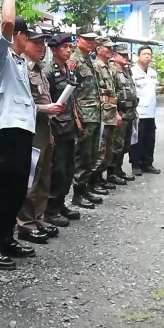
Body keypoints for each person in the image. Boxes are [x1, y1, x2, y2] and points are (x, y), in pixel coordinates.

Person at [0, 0, 40, 271]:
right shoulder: (0, 57)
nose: (29, 43)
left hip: (23, 132)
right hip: (6, 132)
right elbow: (6, 23)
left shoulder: (19, 64)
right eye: (27, 37)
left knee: (18, 189)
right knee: (3, 189)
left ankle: (6, 238)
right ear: (18, 36)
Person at [16, 26, 62, 244]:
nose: (41, 47)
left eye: (43, 43)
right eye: (36, 43)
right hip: (29, 128)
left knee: (44, 175)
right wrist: (46, 109)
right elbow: (20, 103)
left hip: (44, 127)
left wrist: (49, 124)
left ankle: (37, 217)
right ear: (24, 43)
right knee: (31, 178)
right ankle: (26, 224)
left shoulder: (39, 69)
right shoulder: (20, 68)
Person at [43, 33, 83, 223]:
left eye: (70, 47)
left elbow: (71, 99)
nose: (68, 50)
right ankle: (51, 209)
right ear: (54, 50)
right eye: (64, 47)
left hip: (69, 126)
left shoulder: (69, 70)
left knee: (68, 168)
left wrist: (77, 119)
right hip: (56, 127)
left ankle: (61, 203)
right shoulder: (48, 71)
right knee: (57, 169)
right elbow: (46, 101)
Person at [69, 30, 104, 208]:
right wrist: (75, 117)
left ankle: (85, 188)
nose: (91, 43)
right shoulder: (73, 61)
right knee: (81, 156)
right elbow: (70, 92)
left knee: (91, 155)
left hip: (94, 115)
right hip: (83, 115)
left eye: (93, 40)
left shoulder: (90, 60)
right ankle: (77, 193)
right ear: (78, 40)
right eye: (87, 39)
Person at [91, 37, 122, 192]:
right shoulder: (96, 66)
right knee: (100, 150)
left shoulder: (110, 67)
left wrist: (116, 112)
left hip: (110, 111)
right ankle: (93, 181)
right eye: (107, 48)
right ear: (99, 49)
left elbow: (113, 92)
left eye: (111, 48)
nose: (111, 50)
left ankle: (100, 178)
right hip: (102, 113)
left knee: (109, 150)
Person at [107, 45, 137, 185]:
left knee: (125, 144)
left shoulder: (127, 70)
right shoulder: (112, 70)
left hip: (130, 112)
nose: (126, 57)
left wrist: (135, 110)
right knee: (116, 144)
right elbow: (110, 93)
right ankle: (111, 172)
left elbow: (131, 90)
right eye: (122, 55)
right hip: (119, 112)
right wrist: (115, 112)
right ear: (115, 55)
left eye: (127, 55)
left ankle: (118, 169)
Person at [131, 45, 161, 175]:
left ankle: (148, 163)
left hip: (151, 113)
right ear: (139, 56)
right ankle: (136, 164)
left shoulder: (153, 73)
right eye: (144, 54)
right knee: (138, 139)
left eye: (149, 54)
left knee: (150, 139)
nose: (147, 56)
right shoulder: (132, 71)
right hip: (139, 112)